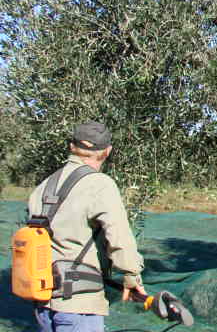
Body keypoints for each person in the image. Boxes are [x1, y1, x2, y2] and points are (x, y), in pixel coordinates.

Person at [28, 121, 146, 331]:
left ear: (71, 146)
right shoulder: (99, 184)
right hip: (79, 304)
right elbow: (119, 236)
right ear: (107, 151)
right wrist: (131, 275)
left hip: (43, 303)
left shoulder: (42, 187)